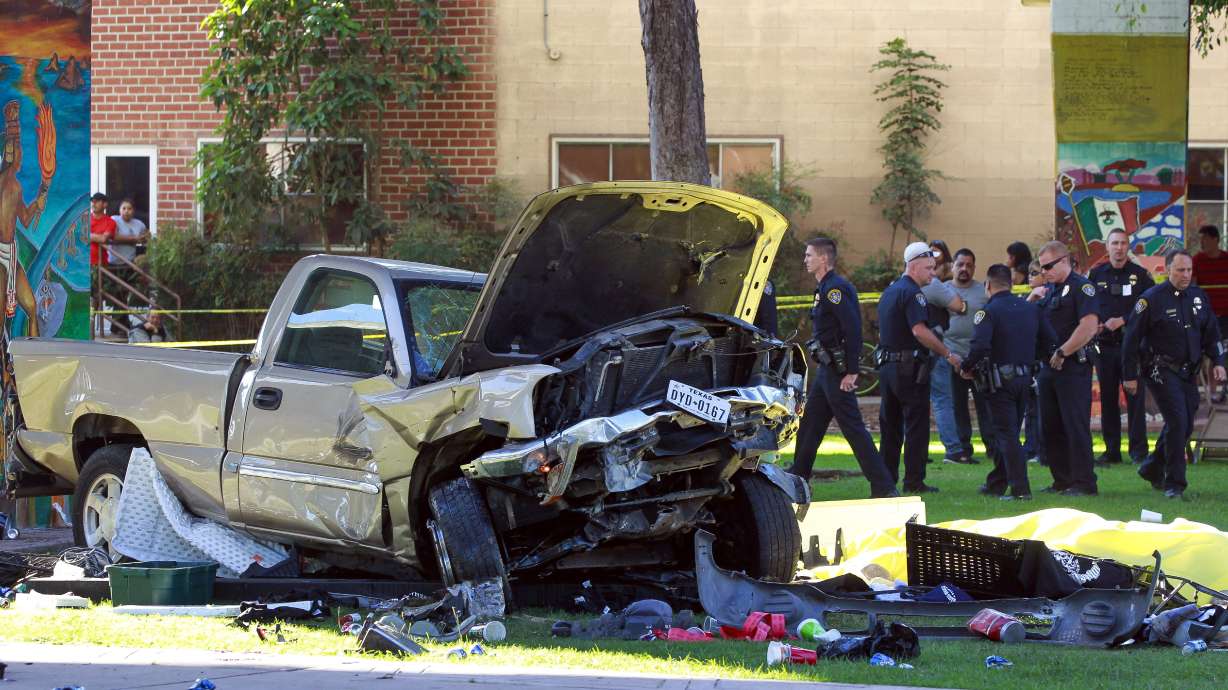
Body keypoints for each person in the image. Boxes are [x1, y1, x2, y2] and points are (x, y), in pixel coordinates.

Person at [788, 238, 898, 497]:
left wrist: (851, 371)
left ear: (823, 259)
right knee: (811, 423)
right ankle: (797, 476)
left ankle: (884, 486)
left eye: (809, 255)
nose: (805, 260)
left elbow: (852, 329)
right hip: (827, 370)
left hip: (837, 372)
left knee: (853, 429)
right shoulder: (824, 287)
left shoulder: (835, 289)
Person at [1123, 249, 1227, 500]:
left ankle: (1151, 467)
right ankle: (1174, 484)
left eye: (1189, 270)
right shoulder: (1151, 299)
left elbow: (1211, 332)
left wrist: (1218, 361)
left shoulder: (1198, 296)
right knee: (1179, 422)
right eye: (1180, 270)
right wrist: (1129, 376)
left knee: (1184, 424)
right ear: (1168, 269)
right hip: (1160, 370)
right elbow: (1131, 340)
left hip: (1187, 372)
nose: (1186, 275)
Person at [961, 264, 1058, 500]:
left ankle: (1020, 490)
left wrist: (966, 367)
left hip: (999, 381)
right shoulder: (1030, 309)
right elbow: (1050, 340)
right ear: (1012, 284)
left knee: (1006, 435)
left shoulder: (988, 311)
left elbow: (980, 345)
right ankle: (996, 483)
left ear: (988, 285)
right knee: (1011, 431)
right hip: (1024, 378)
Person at [875, 241, 963, 494]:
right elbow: (919, 330)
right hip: (909, 369)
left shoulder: (890, 291)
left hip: (888, 367)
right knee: (916, 425)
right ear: (913, 266)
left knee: (890, 427)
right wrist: (948, 353)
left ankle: (886, 481)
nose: (933, 274)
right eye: (929, 268)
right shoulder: (914, 294)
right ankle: (914, 481)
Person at [1028, 240, 1101, 496]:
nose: (1044, 272)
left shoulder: (1083, 288)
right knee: (1050, 426)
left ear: (1064, 260)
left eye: (1048, 266)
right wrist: (1031, 297)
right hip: (1049, 367)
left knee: (1075, 425)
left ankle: (1084, 482)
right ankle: (1062, 480)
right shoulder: (1050, 290)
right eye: (1041, 268)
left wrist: (1063, 351)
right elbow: (1030, 320)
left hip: (1072, 366)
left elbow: (1089, 326)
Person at [1088, 228, 1153, 466]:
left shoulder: (1141, 276)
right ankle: (1112, 451)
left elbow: (1148, 308)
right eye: (1114, 243)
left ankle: (1139, 452)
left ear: (1128, 246)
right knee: (1107, 400)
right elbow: (1087, 306)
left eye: (1123, 243)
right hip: (1105, 347)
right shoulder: (1095, 275)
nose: (1118, 247)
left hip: (1132, 346)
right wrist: (1094, 324)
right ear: (1107, 247)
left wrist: (1124, 320)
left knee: (1135, 398)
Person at [944, 248, 997, 465]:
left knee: (986, 405)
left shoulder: (983, 291)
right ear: (953, 266)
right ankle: (963, 448)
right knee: (958, 406)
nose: (964, 268)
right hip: (951, 357)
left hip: (979, 358)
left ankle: (993, 447)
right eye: (960, 264)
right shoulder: (942, 290)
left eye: (969, 265)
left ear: (974, 268)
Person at [921, 250, 966, 465]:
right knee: (942, 400)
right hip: (935, 348)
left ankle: (916, 448)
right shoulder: (934, 285)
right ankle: (954, 450)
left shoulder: (899, 286)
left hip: (910, 353)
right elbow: (960, 306)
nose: (934, 270)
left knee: (914, 402)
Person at [1192, 225, 1228, 404]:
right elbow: (1192, 287)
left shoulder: (1226, 259)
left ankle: (1219, 391)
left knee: (1222, 353)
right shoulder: (1197, 260)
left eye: (1204, 238)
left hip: (1226, 317)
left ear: (1215, 239)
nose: (1201, 243)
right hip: (1205, 317)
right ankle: (1208, 391)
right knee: (1206, 353)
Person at [1022, 259, 1046, 465]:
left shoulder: (1048, 299)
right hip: (1028, 359)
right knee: (1030, 407)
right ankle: (1030, 446)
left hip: (1043, 358)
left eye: (1035, 272)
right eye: (1029, 272)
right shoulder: (1027, 299)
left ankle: (1040, 448)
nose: (1030, 276)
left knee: (1040, 407)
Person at [108, 198, 149, 267]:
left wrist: (144, 239)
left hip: (131, 262)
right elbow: (113, 236)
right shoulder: (114, 220)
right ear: (119, 210)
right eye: (124, 208)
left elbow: (146, 238)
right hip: (114, 262)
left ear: (133, 211)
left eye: (129, 209)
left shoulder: (139, 224)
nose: (126, 211)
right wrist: (135, 239)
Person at [89, 191, 116, 267]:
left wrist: (85, 235)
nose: (93, 203)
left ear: (105, 204)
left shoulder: (110, 222)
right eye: (92, 201)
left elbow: (103, 239)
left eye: (97, 201)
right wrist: (96, 237)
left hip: (100, 264)